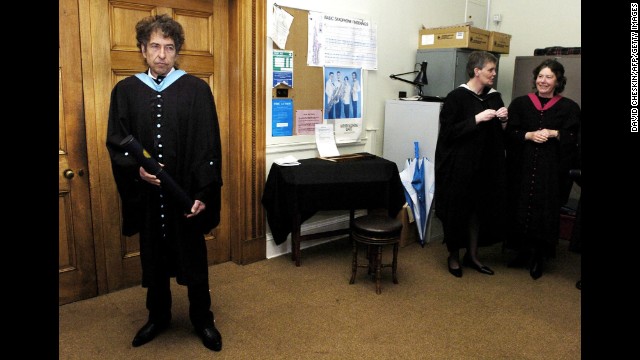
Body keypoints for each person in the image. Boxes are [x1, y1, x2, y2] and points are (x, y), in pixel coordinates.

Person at [105, 14, 223, 351]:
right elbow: (117, 140)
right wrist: (134, 170)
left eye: (169, 47)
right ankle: (158, 316)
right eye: (154, 46)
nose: (161, 54)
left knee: (194, 258)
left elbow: (208, 145)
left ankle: (203, 318)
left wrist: (202, 193)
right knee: (153, 258)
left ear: (176, 52)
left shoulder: (197, 90)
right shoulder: (125, 91)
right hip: (149, 197)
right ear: (143, 49)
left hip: (183, 195)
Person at [434, 51, 509, 278]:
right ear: (477, 71)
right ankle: (454, 256)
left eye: (494, 70)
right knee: (458, 212)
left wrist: (504, 120)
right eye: (490, 70)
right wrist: (477, 118)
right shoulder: (456, 98)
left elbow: (501, 135)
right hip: (460, 168)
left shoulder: (494, 97)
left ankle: (473, 255)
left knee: (478, 211)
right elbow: (447, 133)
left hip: (485, 168)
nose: (494, 74)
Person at [504, 59, 580, 280]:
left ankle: (539, 256)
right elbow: (509, 134)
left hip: (550, 170)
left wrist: (555, 133)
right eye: (540, 76)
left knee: (543, 212)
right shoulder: (520, 104)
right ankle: (521, 252)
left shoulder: (569, 107)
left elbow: (574, 138)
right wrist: (527, 135)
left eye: (549, 77)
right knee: (520, 206)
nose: (543, 81)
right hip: (523, 167)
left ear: (558, 81)